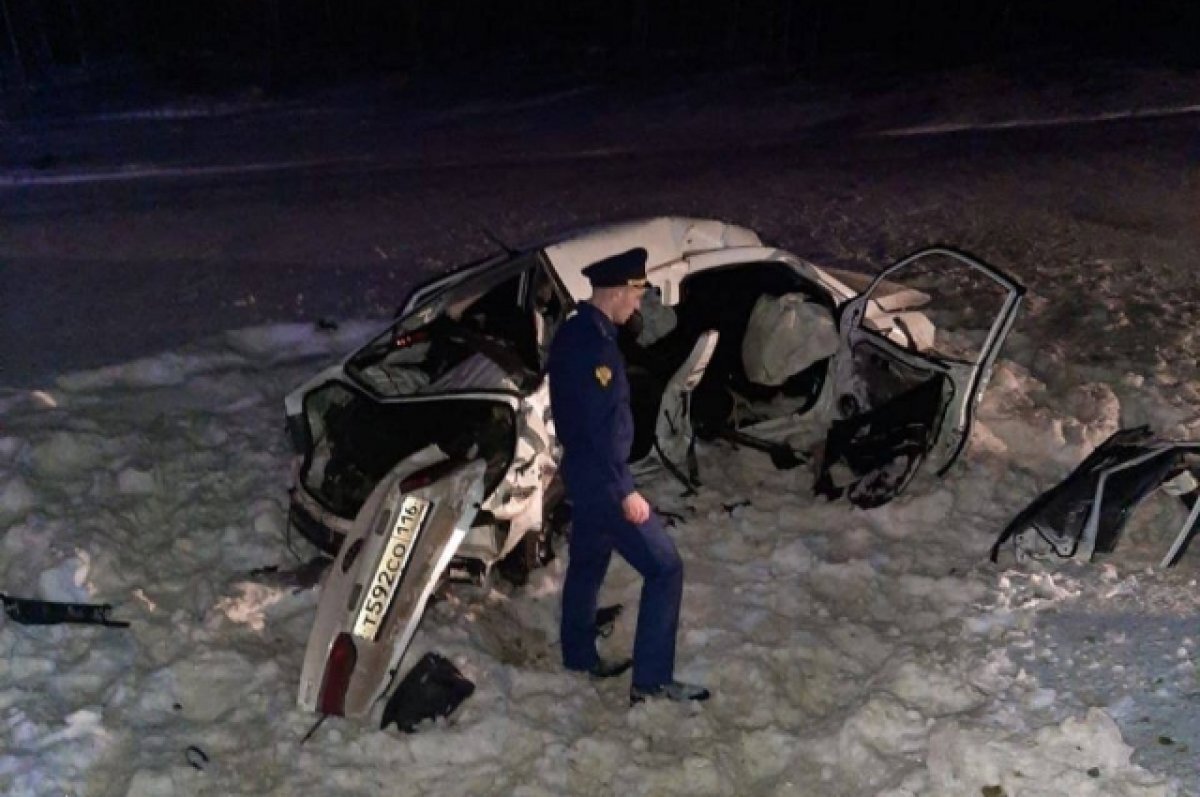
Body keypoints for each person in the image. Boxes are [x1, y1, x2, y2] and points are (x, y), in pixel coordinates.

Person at [547, 246, 710, 705]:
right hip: (604, 481)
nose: (638, 305)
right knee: (665, 569)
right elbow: (600, 428)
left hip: (584, 474)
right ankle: (652, 682)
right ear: (617, 292)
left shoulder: (578, 332)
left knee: (588, 563)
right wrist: (625, 492)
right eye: (635, 297)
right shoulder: (593, 347)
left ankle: (578, 655)